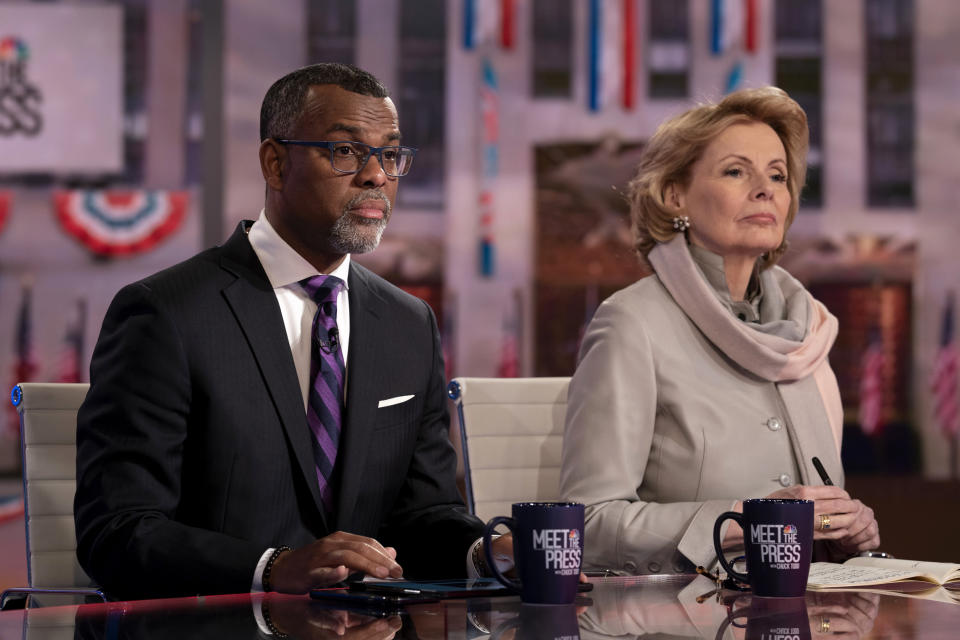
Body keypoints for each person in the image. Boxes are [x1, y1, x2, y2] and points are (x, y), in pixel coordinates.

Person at [74, 63, 503, 600]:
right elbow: (116, 532)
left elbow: (423, 513)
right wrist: (272, 567)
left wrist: (485, 551)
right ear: (275, 163)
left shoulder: (407, 323)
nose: (376, 176)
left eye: (390, 154)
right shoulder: (165, 314)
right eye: (346, 151)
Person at [559, 87, 881, 576]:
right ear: (674, 196)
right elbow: (587, 525)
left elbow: (813, 519)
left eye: (778, 175)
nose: (765, 189)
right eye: (736, 171)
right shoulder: (631, 324)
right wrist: (743, 522)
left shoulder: (807, 331)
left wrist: (848, 530)